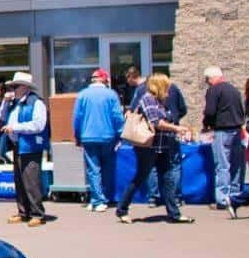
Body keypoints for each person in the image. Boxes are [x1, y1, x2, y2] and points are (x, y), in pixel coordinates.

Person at [117, 74, 194, 224]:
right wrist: (177, 128)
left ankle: (174, 213)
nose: (169, 90)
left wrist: (175, 126)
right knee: (140, 177)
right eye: (166, 86)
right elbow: (156, 122)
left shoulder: (160, 101)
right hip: (148, 146)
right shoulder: (148, 99)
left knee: (168, 179)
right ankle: (122, 209)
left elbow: (170, 116)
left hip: (162, 145)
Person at [72, 69, 125, 212]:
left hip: (88, 136)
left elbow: (77, 118)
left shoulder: (82, 95)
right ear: (105, 80)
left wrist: (77, 135)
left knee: (93, 169)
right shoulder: (111, 95)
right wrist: (121, 134)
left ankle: (97, 200)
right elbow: (117, 117)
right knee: (107, 168)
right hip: (108, 136)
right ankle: (103, 198)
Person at [3, 72, 49, 227]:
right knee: (20, 181)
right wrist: (4, 103)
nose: (13, 90)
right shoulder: (15, 104)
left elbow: (38, 125)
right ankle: (23, 212)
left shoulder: (36, 103)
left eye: (15, 86)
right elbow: (3, 118)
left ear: (24, 87)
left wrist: (15, 128)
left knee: (31, 181)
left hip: (30, 146)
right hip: (18, 145)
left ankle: (37, 213)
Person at [203, 66, 245, 211]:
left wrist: (206, 125)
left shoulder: (213, 90)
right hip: (237, 129)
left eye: (207, 79)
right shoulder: (234, 89)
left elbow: (210, 111)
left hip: (222, 129)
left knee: (222, 165)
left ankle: (222, 199)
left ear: (211, 78)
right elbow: (241, 110)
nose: (207, 82)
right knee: (236, 165)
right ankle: (235, 196)